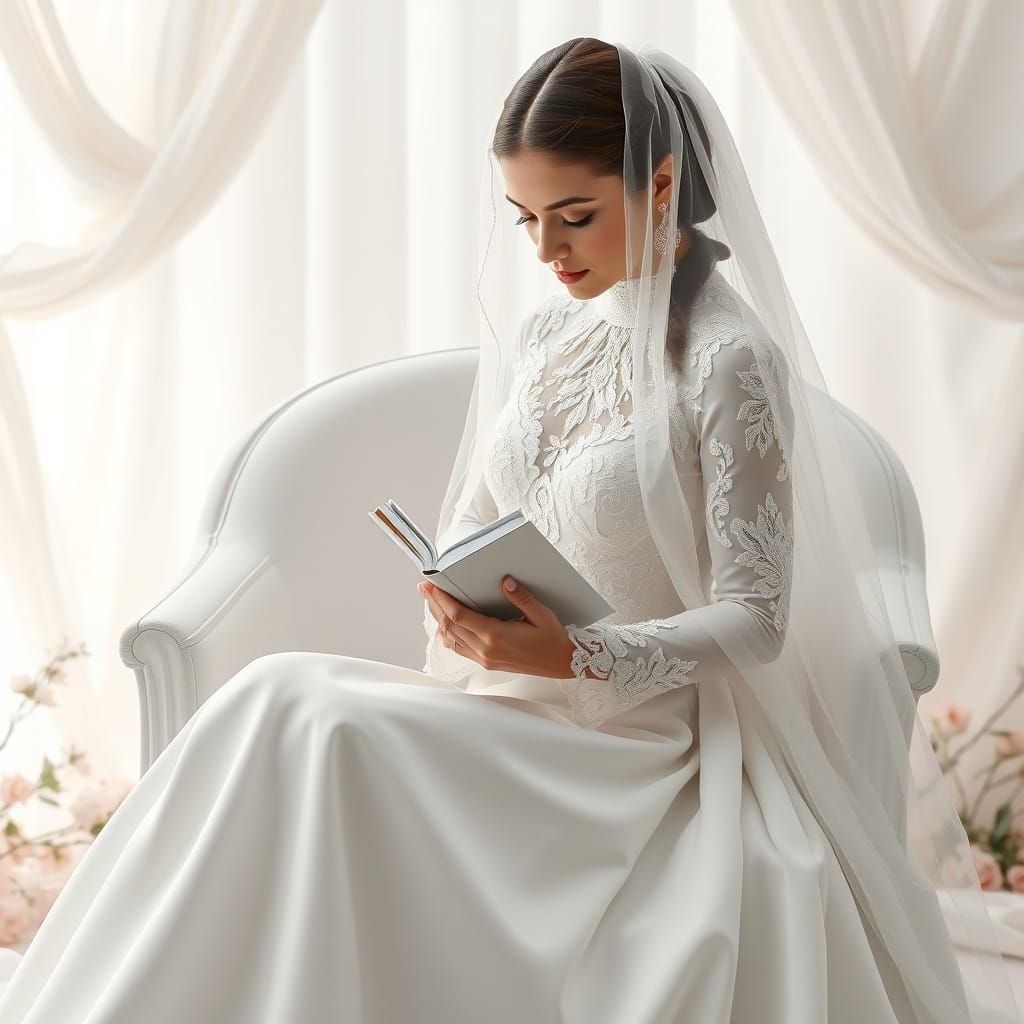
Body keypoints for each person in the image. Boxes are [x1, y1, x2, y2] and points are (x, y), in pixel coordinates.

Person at [0, 36, 1018, 1024]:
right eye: (523, 217)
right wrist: (455, 591)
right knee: (271, 700)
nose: (544, 249)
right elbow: (482, 512)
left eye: (572, 215)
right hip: (502, 707)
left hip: (631, 744)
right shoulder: (546, 334)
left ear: (660, 187)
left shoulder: (726, 361)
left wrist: (579, 651)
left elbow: (756, 618)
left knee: (319, 725)